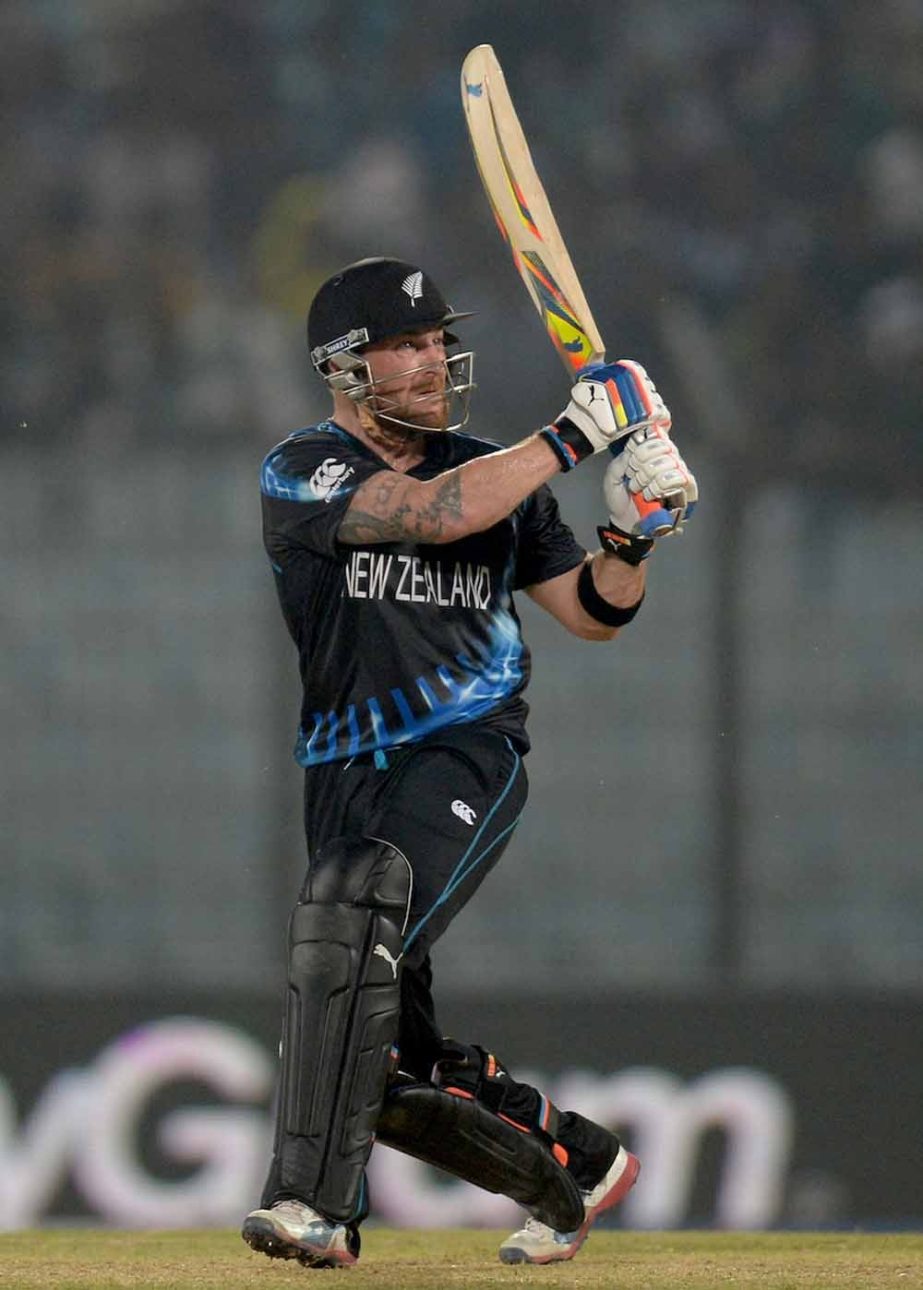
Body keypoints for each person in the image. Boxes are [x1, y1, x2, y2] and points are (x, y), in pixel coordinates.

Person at [241, 256, 697, 1268]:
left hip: (467, 749)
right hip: (343, 771)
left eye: (435, 339)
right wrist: (573, 436)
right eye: (403, 345)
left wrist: (631, 537)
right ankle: (569, 1164)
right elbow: (427, 512)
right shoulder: (305, 468)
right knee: (382, 1070)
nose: (430, 357)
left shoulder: (498, 468)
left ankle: (311, 1210)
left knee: (353, 915)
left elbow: (591, 613)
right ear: (344, 366)